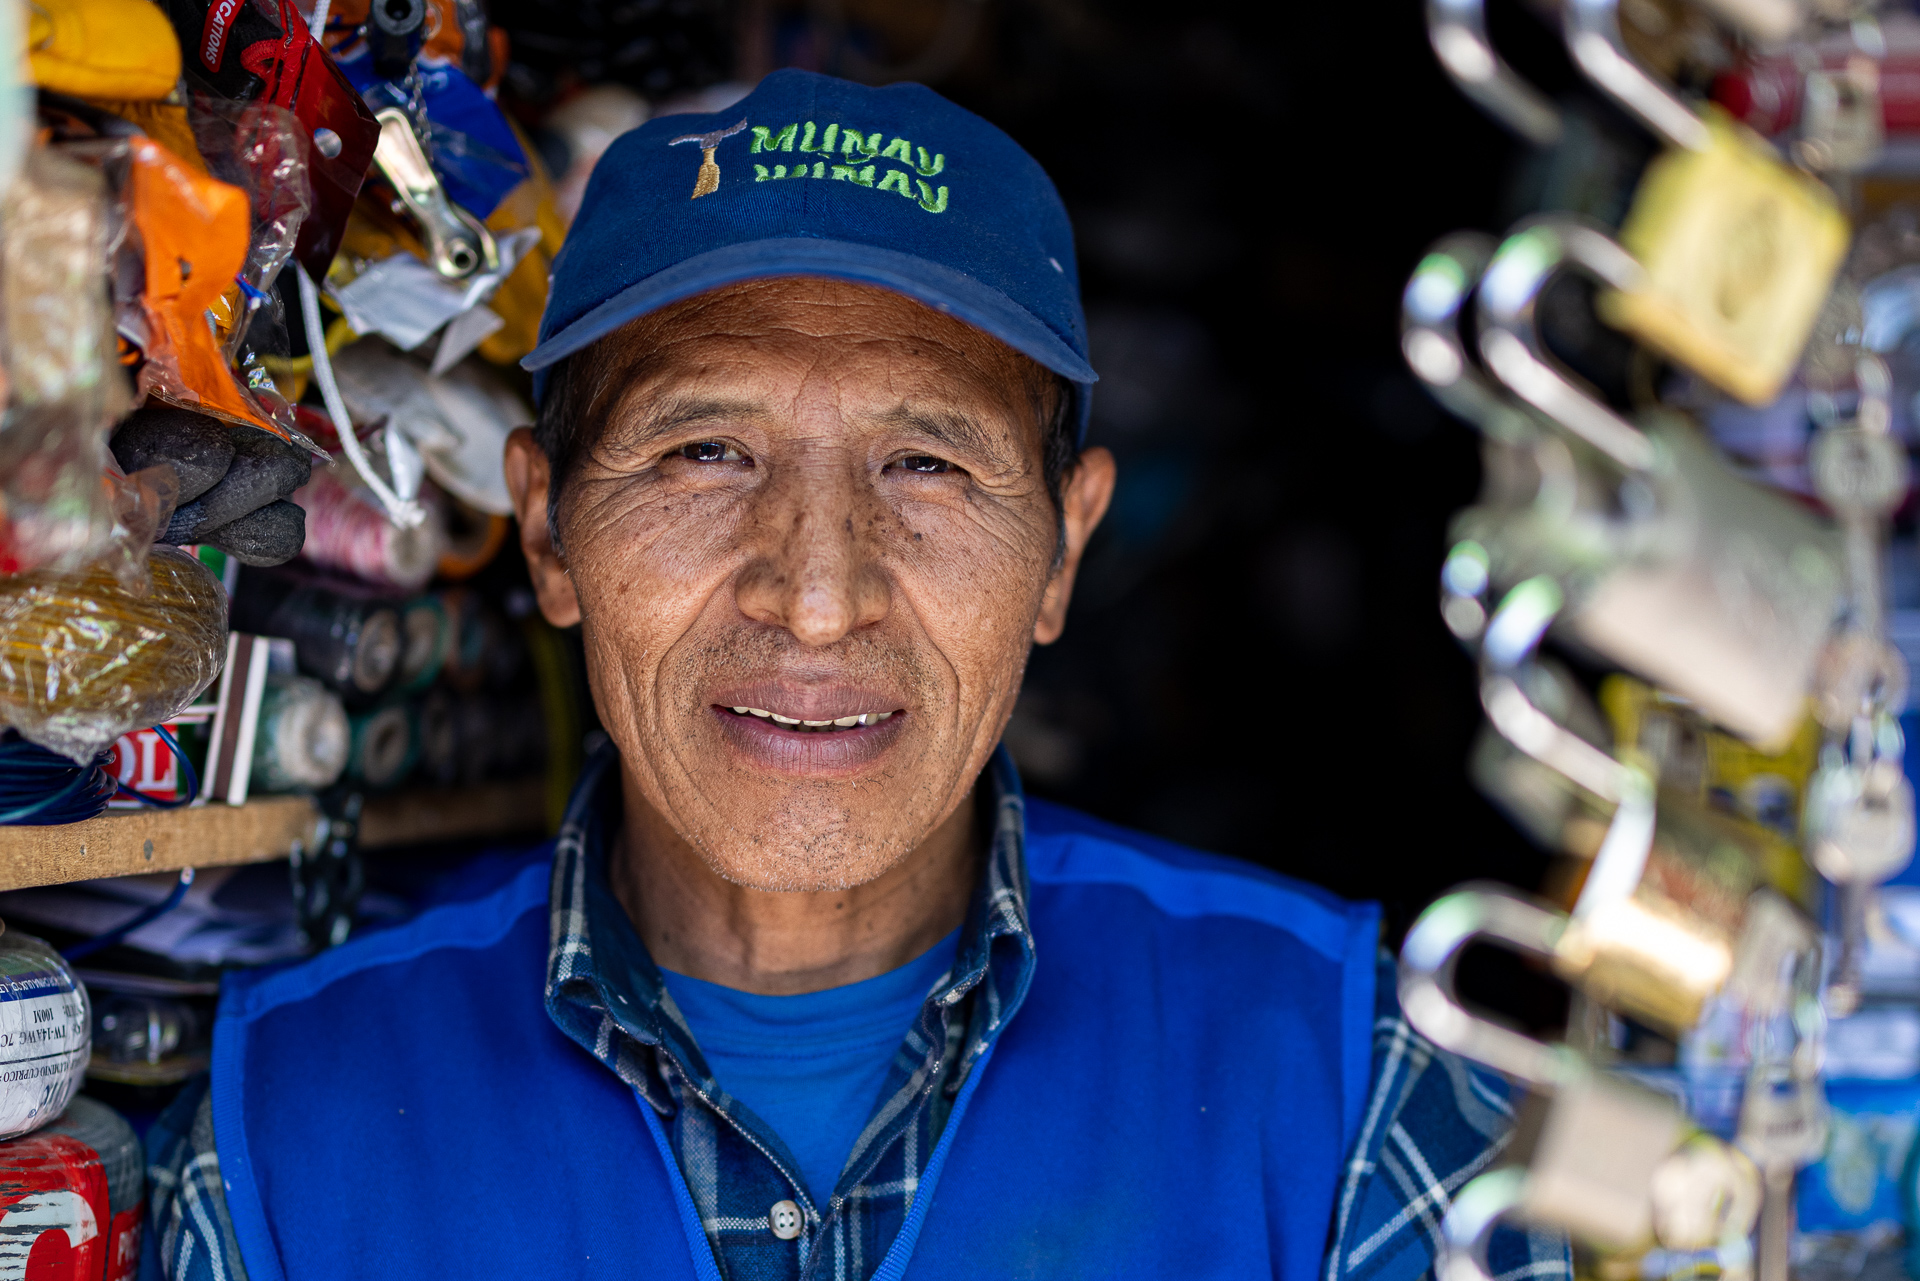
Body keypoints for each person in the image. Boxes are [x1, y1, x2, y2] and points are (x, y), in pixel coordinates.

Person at [147, 70, 1571, 1281]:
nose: (818, 599)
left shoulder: (1351, 1082)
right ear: (547, 531)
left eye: (927, 465)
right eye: (706, 453)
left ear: (1063, 552)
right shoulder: (285, 1136)